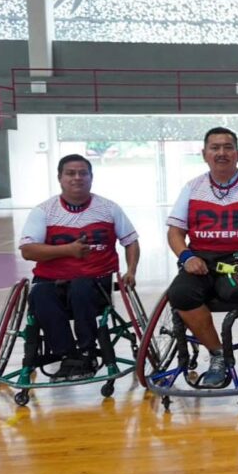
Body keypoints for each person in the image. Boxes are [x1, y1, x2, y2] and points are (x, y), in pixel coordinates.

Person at [166, 127, 238, 388]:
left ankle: (219, 346)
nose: (221, 152)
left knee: (236, 291)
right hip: (201, 259)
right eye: (215, 147)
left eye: (227, 147)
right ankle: (218, 354)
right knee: (180, 294)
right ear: (204, 154)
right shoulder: (192, 187)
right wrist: (186, 257)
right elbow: (175, 232)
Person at [19, 154, 140, 381]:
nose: (77, 178)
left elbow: (131, 241)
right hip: (51, 281)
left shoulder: (109, 208)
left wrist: (131, 271)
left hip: (95, 281)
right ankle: (67, 355)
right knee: (40, 294)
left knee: (81, 286)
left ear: (91, 177)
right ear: (60, 178)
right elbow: (28, 251)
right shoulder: (43, 211)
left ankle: (87, 351)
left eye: (83, 173)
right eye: (70, 173)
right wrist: (68, 250)